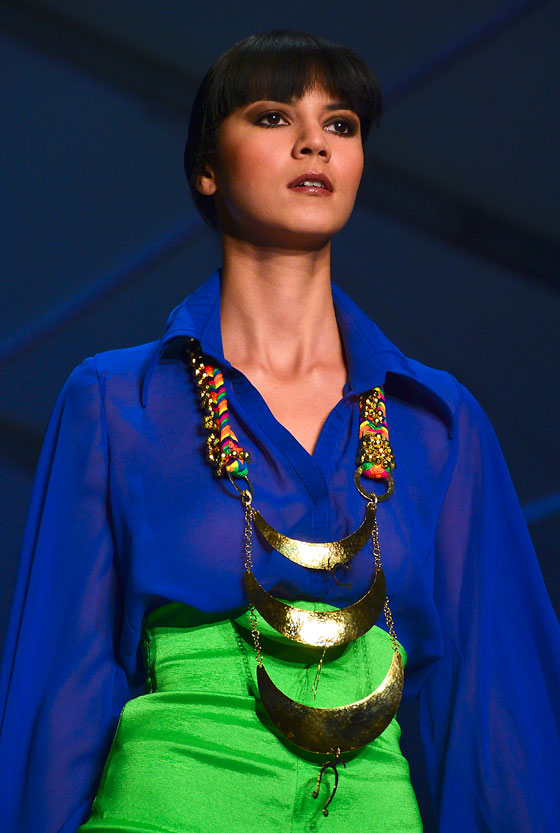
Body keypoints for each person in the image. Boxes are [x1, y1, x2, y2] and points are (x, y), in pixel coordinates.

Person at [0, 29, 558, 833]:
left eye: (340, 124)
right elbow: (64, 686)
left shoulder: (438, 422)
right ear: (207, 166)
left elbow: (494, 706)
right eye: (272, 116)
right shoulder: (119, 401)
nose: (313, 143)